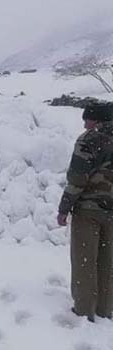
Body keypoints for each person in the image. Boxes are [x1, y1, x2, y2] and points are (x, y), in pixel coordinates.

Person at [57, 103, 113, 322]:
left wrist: (64, 208)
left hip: (89, 209)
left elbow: (78, 179)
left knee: (85, 259)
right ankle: (105, 308)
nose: (84, 123)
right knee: (108, 260)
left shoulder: (89, 139)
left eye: (87, 119)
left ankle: (84, 309)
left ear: (96, 120)